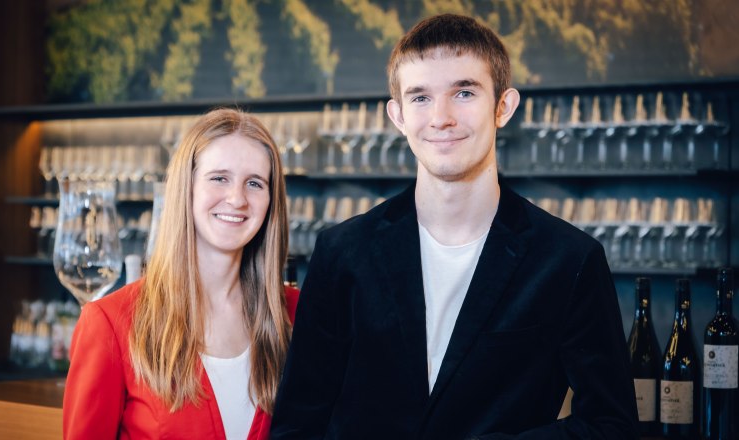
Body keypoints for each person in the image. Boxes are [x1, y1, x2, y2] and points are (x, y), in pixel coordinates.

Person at [270, 14, 638, 439]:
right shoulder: (341, 252)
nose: (440, 117)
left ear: (503, 107)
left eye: (463, 92)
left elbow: (612, 426)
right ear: (398, 116)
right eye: (420, 97)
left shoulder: (570, 259)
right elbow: (297, 426)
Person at [63, 108, 298, 440]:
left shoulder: (298, 314)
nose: (237, 198)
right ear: (185, 189)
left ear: (272, 201)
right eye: (219, 178)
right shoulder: (110, 323)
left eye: (255, 183)